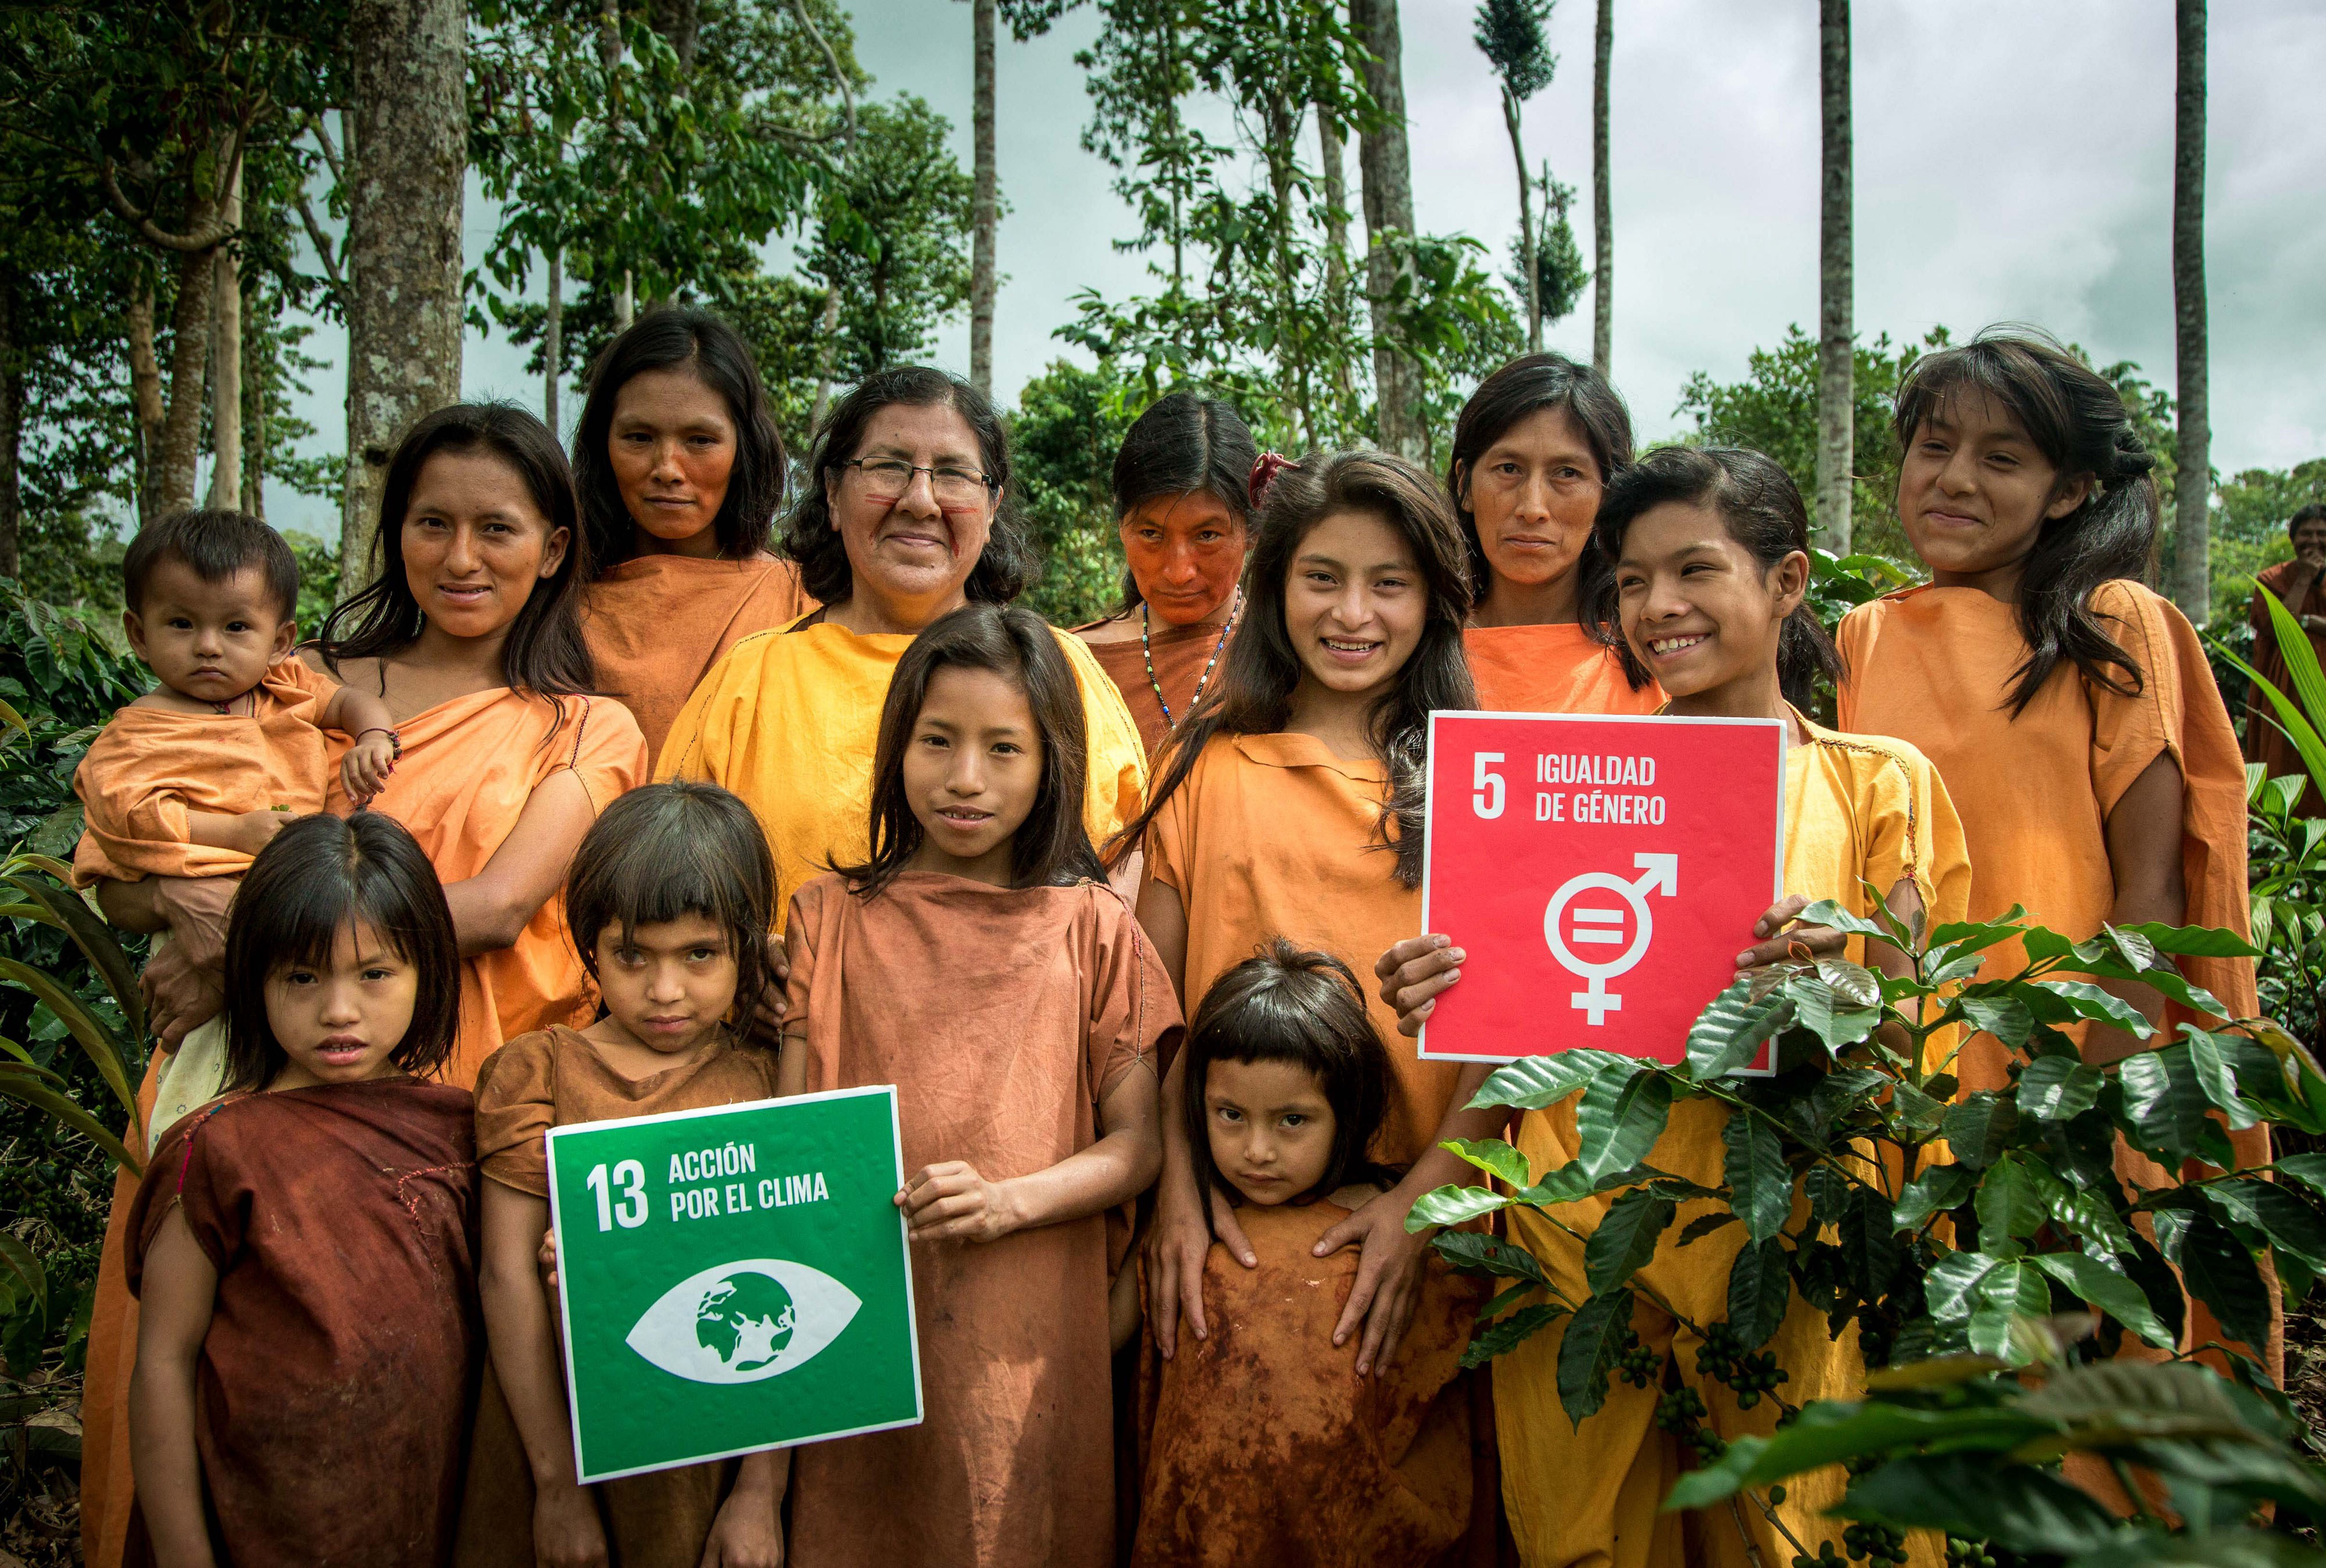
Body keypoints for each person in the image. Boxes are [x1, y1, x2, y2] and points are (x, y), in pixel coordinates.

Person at [1379, 445, 1971, 1568]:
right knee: (1582, 1535)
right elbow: (1513, 1020)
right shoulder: (1561, 778)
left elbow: (1912, 1029)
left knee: (1805, 1527)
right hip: (1578, 1226)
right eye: (1635, 581)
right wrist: (1441, 987)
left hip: (1782, 1230)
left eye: (1695, 571)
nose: (1659, 608)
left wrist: (1839, 976)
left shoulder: (1874, 782)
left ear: (1788, 580)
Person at [81, 404, 650, 1568]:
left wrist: (241, 923)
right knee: (212, 1375)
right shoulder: (298, 685)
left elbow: (491, 907)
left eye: (497, 527)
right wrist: (169, 904)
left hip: (459, 1113)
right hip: (250, 1088)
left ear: (553, 544)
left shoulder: (586, 726)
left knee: (421, 1412)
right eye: (430, 522)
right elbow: (135, 860)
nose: (459, 555)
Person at [1832, 330, 2274, 1429]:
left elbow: (2153, 895)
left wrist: (2095, 1112)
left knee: (2083, 1381)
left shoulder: (2109, 626)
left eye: (2002, 458)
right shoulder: (1861, 636)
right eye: (1935, 447)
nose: (1954, 480)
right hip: (1909, 1066)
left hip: (2068, 1063)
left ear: (2071, 489)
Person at [777, 603, 1176, 1568]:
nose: (966, 778)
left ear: (1053, 763)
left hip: (1028, 1339)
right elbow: (784, 1152)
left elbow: (1140, 1145)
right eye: (938, 742)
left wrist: (1006, 1202)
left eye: (1005, 748)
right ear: (895, 748)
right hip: (854, 1333)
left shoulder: (1092, 924)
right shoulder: (826, 920)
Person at [124, 812, 479, 1568]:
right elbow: (162, 1363)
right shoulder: (217, 1149)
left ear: (429, 972)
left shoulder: (458, 1136)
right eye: (303, 977)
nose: (339, 1010)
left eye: (375, 973)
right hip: (251, 1519)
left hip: (411, 1508)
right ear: (255, 978)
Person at [659, 366, 1147, 912]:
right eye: (889, 467)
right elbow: (667, 877)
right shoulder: (751, 678)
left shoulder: (1060, 669)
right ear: (833, 493)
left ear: (993, 509)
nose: (920, 500)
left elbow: (1130, 867)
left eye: (953, 474)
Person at [458, 781, 785, 1568]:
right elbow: (507, 1276)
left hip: (717, 1440)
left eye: (700, 954)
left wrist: (760, 1493)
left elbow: (794, 1286)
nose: (665, 991)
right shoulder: (535, 1071)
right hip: (553, 1428)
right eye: (633, 955)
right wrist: (555, 1482)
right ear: (589, 947)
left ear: (746, 946)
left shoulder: (770, 1079)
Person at [1129, 942, 1480, 1568]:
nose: (1257, 1151)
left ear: (1347, 1116)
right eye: (1230, 1115)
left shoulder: (1390, 1238)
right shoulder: (1183, 1235)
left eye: (1292, 1121)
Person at [72, 510, 399, 1145]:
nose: (208, 647)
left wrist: (374, 735)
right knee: (207, 1104)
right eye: (181, 624)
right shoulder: (139, 731)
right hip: (201, 927)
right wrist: (236, 833)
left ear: (280, 641)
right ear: (139, 635)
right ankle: (192, 1180)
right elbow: (126, 821)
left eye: (235, 627)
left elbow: (347, 702)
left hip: (297, 932)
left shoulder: (284, 688)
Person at [573, 308, 814, 760]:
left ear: (743, 450)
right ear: (603, 446)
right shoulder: (555, 599)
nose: (667, 469)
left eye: (700, 440)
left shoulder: (800, 600)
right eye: (639, 437)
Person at [1447, 353, 1660, 716]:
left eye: (1567, 473)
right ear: (1466, 484)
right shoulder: (1417, 650)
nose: (1532, 508)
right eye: (1509, 468)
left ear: (1608, 495)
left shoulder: (1656, 655)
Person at [1074, 392, 1258, 756]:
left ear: (1252, 530)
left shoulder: (1291, 656)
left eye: (1207, 535)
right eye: (1151, 534)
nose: (1178, 573)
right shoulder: (1073, 663)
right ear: (1122, 527)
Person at [2242, 501, 2326, 809]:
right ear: (2293, 539)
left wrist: (2309, 622)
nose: (2314, 541)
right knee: (2283, 758)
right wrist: (2304, 578)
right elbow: (2275, 626)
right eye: (2306, 534)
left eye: (2322, 533)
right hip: (2286, 689)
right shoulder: (2272, 579)